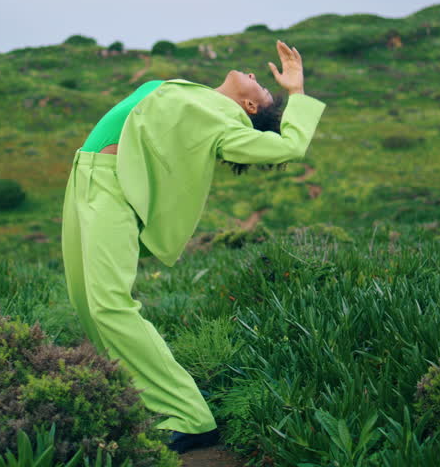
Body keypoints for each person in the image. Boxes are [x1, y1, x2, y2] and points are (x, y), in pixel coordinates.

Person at [60, 40, 325, 453]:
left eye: (262, 90)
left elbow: (289, 146)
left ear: (250, 109)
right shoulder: (197, 93)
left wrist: (295, 93)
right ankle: (137, 399)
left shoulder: (225, 123)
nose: (255, 76)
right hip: (85, 177)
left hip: (111, 187)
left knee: (110, 304)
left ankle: (190, 417)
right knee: (85, 302)